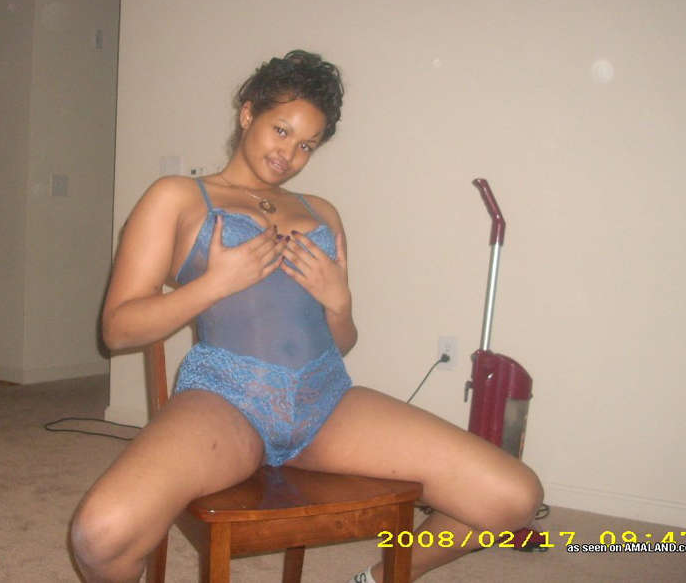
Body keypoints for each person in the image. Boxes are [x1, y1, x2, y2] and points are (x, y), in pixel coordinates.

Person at [69, 50, 543, 583]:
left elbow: (341, 341)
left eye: (306, 145)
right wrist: (214, 285)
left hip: (326, 402)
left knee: (513, 496)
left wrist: (340, 303)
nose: (289, 154)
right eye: (281, 130)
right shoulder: (177, 196)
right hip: (226, 400)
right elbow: (118, 330)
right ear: (247, 112)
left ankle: (373, 581)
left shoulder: (322, 213)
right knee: (101, 534)